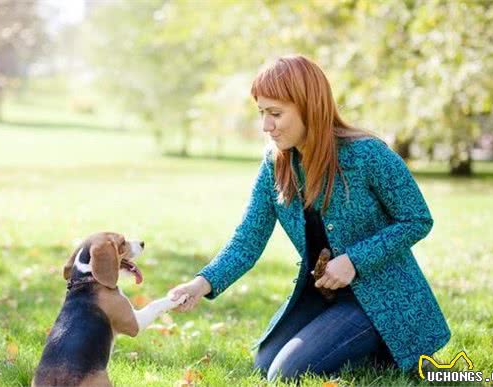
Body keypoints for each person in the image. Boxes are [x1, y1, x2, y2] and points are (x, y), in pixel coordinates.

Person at [169, 55, 451, 382]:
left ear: (310, 107)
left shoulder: (368, 154)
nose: (266, 126)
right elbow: (247, 241)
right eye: (262, 113)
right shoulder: (275, 164)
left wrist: (355, 261)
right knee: (265, 364)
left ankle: (389, 344)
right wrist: (200, 284)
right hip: (325, 297)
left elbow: (417, 219)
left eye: (275, 113)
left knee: (286, 374)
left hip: (381, 299)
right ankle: (366, 350)